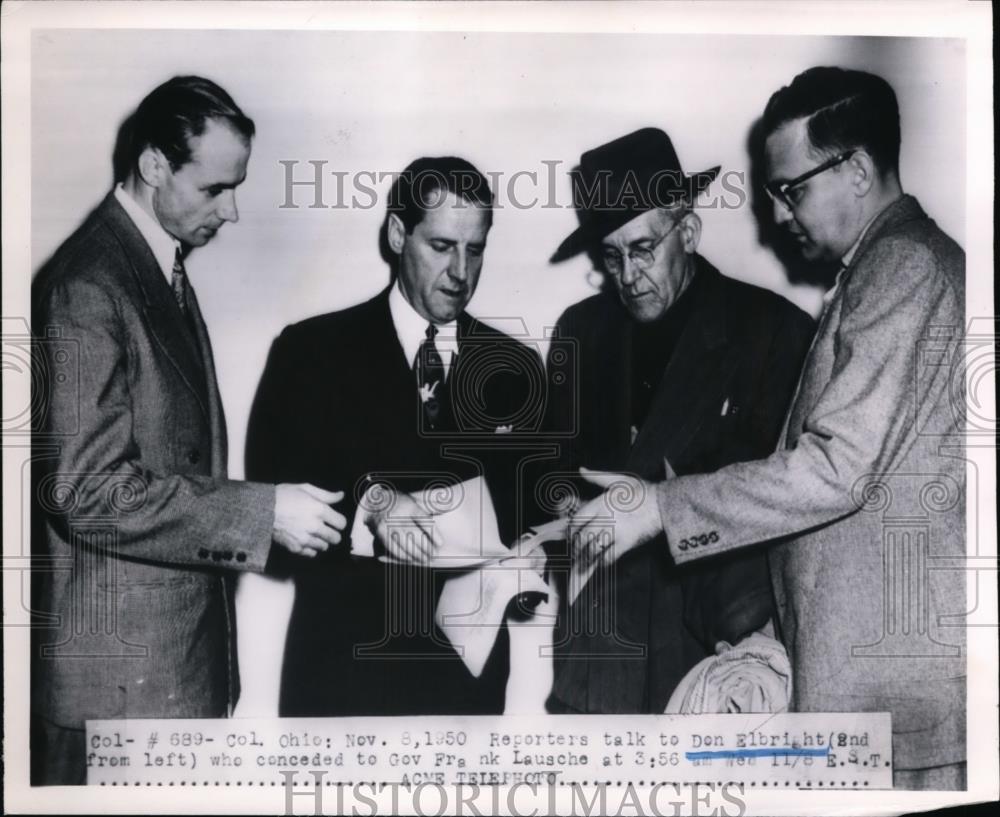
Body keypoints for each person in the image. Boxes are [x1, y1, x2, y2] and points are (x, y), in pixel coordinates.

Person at [569, 69, 967, 789]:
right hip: (840, 676)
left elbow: (833, 468)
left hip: (876, 683)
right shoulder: (879, 268)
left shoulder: (903, 266)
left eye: (792, 190)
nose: (780, 214)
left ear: (855, 169)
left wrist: (662, 506)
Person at [30, 76, 346, 785]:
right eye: (214, 189)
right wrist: (262, 512)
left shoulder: (152, 263)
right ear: (152, 166)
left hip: (166, 678)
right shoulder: (87, 284)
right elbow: (87, 491)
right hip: (113, 696)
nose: (231, 210)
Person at [245, 156, 545, 716]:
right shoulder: (310, 353)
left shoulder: (517, 367)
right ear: (396, 233)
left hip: (465, 694)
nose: (461, 271)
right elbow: (267, 520)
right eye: (441, 246)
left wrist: (539, 545)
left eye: (475, 249)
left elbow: (532, 509)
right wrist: (374, 508)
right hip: (338, 683)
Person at [543, 127, 815, 714]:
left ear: (687, 232)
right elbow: (550, 471)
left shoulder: (775, 333)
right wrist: (561, 508)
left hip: (706, 668)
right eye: (610, 257)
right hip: (594, 664)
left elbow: (796, 501)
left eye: (642, 249)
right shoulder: (579, 331)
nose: (627, 275)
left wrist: (665, 501)